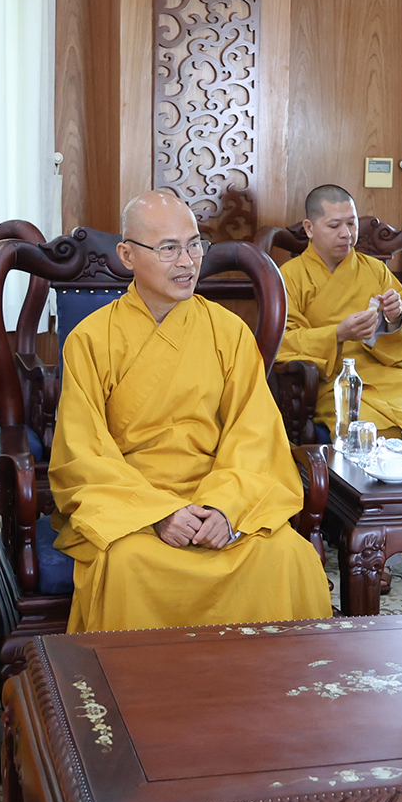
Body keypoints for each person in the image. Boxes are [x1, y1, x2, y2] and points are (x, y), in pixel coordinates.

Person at [49, 189, 333, 632]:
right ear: (127, 255)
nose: (187, 262)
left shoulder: (229, 332)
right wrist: (159, 513)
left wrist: (225, 509)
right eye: (168, 248)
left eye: (194, 245)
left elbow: (255, 433)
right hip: (135, 507)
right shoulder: (90, 340)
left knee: (287, 555)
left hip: (219, 494)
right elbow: (82, 454)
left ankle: (274, 679)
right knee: (127, 563)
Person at [276, 185, 402, 447]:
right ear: (309, 228)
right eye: (334, 225)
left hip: (390, 378)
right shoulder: (288, 277)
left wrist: (394, 321)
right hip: (334, 385)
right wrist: (337, 334)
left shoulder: (376, 271)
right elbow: (282, 342)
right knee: (371, 433)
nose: (346, 234)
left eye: (351, 223)